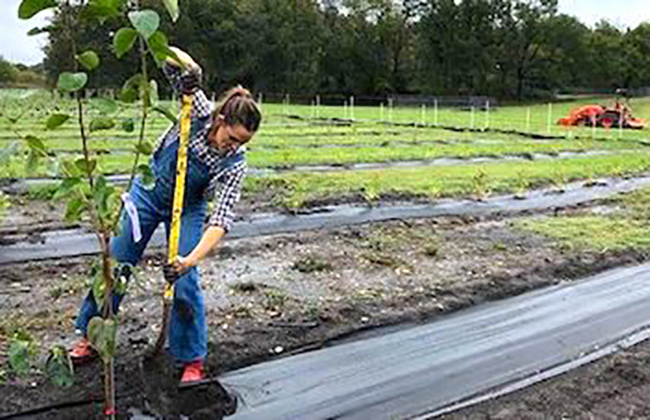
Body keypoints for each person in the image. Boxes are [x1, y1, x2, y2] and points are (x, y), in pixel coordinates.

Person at [68, 47, 262, 383]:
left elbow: (221, 220)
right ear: (221, 121)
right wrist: (191, 66)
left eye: (242, 142)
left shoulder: (236, 162)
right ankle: (92, 336)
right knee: (117, 263)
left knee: (185, 280)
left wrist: (189, 260)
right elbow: (166, 60)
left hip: (188, 207)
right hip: (149, 191)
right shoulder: (198, 111)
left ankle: (191, 359)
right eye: (232, 138)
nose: (234, 146)